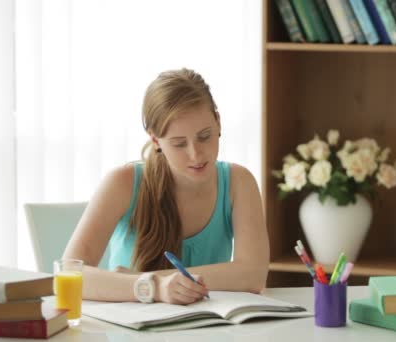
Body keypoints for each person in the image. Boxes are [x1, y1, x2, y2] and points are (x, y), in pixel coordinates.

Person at [62, 68, 269, 305]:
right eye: (179, 144)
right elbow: (69, 274)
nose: (196, 154)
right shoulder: (122, 183)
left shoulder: (239, 182)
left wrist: (139, 279)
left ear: (218, 122)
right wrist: (156, 288)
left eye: (204, 136)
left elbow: (253, 275)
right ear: (155, 140)